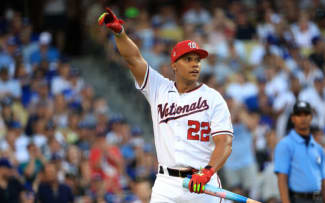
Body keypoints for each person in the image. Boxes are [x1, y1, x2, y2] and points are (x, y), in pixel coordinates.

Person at [98, 8, 236, 203]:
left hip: (203, 183)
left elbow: (225, 144)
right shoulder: (159, 88)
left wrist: (206, 173)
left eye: (197, 59)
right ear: (174, 65)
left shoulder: (213, 98)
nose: (195, 64)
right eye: (188, 59)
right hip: (167, 183)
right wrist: (120, 34)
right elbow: (133, 59)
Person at [274, 101, 325, 203]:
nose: (303, 118)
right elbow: (282, 180)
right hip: (298, 199)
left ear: (311, 117)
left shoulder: (318, 148)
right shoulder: (285, 144)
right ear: (293, 118)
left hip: (318, 199)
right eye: (299, 115)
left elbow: (324, 182)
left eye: (306, 114)